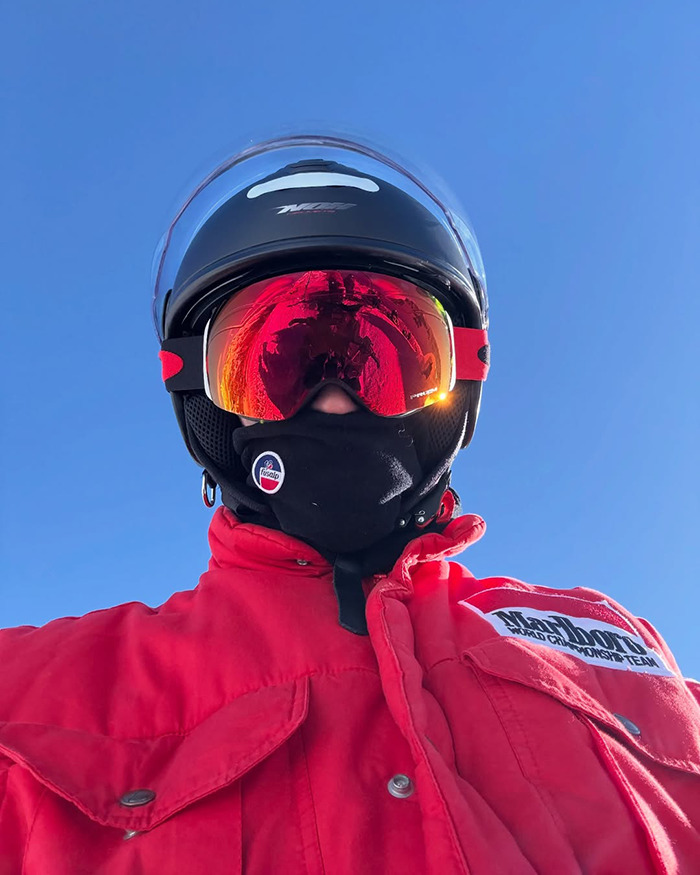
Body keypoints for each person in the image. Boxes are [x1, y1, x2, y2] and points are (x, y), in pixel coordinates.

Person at [0, 135, 698, 875]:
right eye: (278, 362)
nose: (334, 399)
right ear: (204, 402)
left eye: (388, 356)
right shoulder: (31, 696)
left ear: (458, 382)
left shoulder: (618, 645)